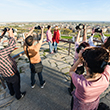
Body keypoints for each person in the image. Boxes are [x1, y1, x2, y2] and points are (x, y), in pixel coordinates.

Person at [0, 28, 26, 100]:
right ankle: (18, 96)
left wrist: (3, 34)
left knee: (8, 83)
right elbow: (12, 45)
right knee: (16, 85)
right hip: (12, 73)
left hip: (4, 74)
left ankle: (11, 92)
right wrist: (11, 33)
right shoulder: (1, 53)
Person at [68, 25, 90, 95]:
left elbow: (77, 40)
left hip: (75, 66)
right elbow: (85, 40)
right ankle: (77, 89)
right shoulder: (86, 53)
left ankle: (71, 90)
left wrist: (79, 31)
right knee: (79, 79)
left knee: (73, 79)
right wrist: (85, 30)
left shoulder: (77, 50)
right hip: (81, 67)